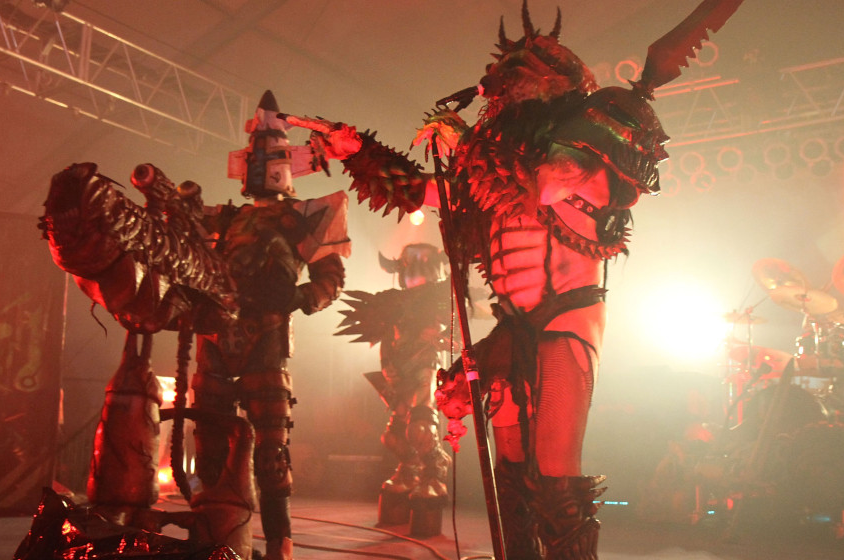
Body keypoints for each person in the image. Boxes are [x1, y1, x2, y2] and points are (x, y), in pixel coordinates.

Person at [287, 2, 742, 557]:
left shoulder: (588, 140)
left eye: (531, 66)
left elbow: (547, 182)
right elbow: (428, 191)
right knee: (513, 477)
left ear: (566, 77)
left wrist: (463, 142)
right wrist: (356, 146)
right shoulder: (485, 162)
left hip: (565, 319)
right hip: (510, 326)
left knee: (554, 480)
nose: (511, 80)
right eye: (509, 71)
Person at [189, 90, 350, 560]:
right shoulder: (226, 218)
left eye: (270, 153)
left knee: (272, 455)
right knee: (210, 446)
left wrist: (299, 296)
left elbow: (331, 273)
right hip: (217, 337)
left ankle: (280, 546)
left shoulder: (300, 216)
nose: (261, 162)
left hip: (268, 340)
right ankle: (215, 536)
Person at [335, 243, 453, 535]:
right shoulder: (392, 304)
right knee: (393, 437)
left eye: (423, 265)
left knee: (420, 428)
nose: (415, 272)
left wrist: (442, 336)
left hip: (426, 368)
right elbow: (387, 338)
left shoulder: (441, 299)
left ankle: (434, 473)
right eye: (410, 266)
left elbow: (453, 333)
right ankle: (410, 471)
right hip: (399, 373)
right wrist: (388, 366)